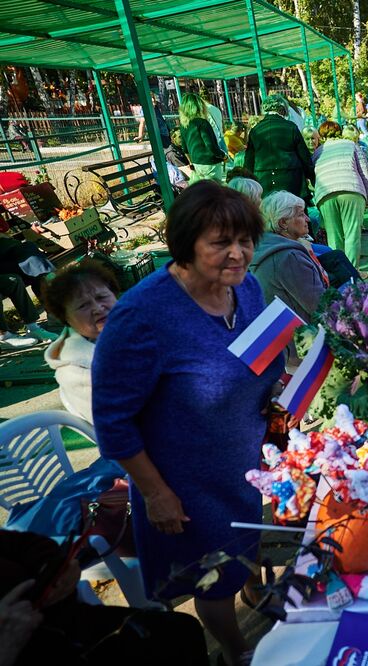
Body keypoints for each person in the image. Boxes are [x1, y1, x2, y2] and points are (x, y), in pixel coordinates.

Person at [92, 181, 283, 666]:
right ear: (185, 244)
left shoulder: (249, 287)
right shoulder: (142, 317)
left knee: (250, 541)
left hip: (244, 458)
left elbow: (259, 357)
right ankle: (236, 652)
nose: (238, 254)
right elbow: (113, 420)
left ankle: (257, 594)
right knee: (213, 575)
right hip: (186, 483)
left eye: (245, 240)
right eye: (221, 243)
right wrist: (157, 493)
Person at [0, 529, 210, 665]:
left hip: (68, 619)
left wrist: (54, 568)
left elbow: (27, 543)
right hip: (23, 651)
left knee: (180, 631)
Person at [42, 261, 119, 423]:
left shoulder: (131, 328)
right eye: (83, 305)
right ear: (66, 318)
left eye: (101, 297)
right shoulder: (77, 373)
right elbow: (119, 425)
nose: (98, 308)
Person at [252, 191, 329, 329]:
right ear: (283, 223)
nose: (308, 219)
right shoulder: (289, 258)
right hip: (304, 339)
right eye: (301, 214)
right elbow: (322, 308)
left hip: (282, 333)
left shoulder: (265, 246)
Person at [313, 120, 368, 268]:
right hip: (351, 190)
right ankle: (352, 275)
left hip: (325, 194)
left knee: (334, 237)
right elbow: (365, 172)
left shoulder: (318, 151)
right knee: (352, 235)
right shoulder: (352, 145)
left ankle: (339, 273)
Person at [244, 94, 315, 203]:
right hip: (291, 178)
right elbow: (304, 157)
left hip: (263, 178)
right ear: (283, 110)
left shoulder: (256, 130)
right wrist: (311, 176)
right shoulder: (290, 127)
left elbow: (249, 160)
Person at [179, 92, 226, 183]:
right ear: (199, 106)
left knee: (205, 191)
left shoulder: (183, 125)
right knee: (216, 191)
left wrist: (191, 162)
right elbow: (211, 146)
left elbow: (185, 149)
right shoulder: (202, 123)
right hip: (210, 163)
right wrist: (223, 155)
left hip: (197, 163)